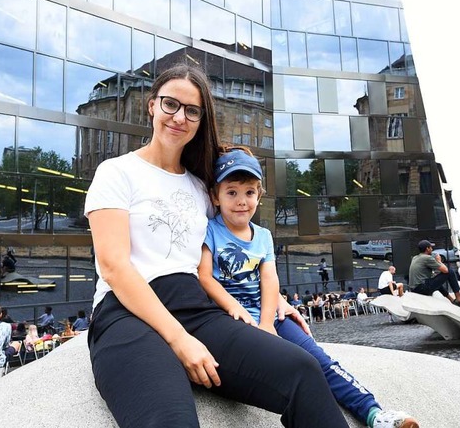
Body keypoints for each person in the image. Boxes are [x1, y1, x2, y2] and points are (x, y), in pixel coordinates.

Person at [84, 64, 348, 427]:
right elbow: (114, 266)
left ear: (201, 120)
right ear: (152, 106)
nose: (179, 117)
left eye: (192, 110)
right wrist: (179, 339)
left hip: (195, 306)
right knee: (170, 418)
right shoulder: (116, 172)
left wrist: (279, 302)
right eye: (170, 104)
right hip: (126, 310)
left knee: (301, 369)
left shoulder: (201, 188)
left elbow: (231, 248)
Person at [198, 147, 418, 428]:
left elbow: (269, 279)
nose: (242, 201)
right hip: (234, 321)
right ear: (216, 196)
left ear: (259, 195)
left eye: (249, 193)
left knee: (319, 360)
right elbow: (204, 276)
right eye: (232, 193)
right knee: (291, 370)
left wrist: (267, 324)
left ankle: (374, 413)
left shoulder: (263, 236)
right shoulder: (211, 230)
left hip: (269, 316)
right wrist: (234, 309)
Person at [409, 240, 460, 310]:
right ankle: (459, 300)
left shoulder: (415, 257)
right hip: (422, 288)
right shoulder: (427, 258)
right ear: (427, 249)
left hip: (414, 289)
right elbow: (445, 270)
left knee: (436, 280)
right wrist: (439, 261)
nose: (432, 249)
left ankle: (452, 300)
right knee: (450, 272)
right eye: (431, 247)